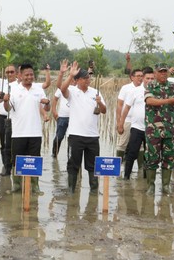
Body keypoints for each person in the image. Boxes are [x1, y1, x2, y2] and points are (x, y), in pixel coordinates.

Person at [58, 60, 106, 194]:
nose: (87, 80)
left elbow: (104, 110)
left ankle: (94, 191)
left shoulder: (95, 92)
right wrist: (70, 75)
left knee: (93, 166)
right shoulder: (73, 91)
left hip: (92, 136)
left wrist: (100, 103)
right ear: (77, 80)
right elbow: (62, 89)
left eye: (88, 78)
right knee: (73, 164)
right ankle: (71, 191)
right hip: (75, 135)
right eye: (84, 78)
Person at [2, 63, 50, 193]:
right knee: (16, 160)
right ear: (20, 76)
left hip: (35, 132)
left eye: (31, 74)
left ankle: (35, 186)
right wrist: (5, 100)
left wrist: (47, 103)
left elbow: (47, 108)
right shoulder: (14, 90)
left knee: (35, 160)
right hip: (18, 132)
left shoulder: (38, 89)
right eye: (26, 75)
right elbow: (8, 108)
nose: (29, 77)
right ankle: (17, 185)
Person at [142, 63, 174, 195]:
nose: (163, 74)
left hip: (170, 129)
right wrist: (168, 101)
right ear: (155, 73)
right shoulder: (150, 85)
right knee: (152, 157)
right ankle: (151, 185)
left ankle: (166, 186)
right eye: (160, 71)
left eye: (165, 71)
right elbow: (150, 101)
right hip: (153, 129)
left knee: (169, 157)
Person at [117, 67, 155, 179]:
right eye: (147, 78)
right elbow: (126, 108)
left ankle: (146, 178)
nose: (150, 80)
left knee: (150, 155)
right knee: (132, 153)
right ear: (143, 79)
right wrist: (120, 123)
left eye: (152, 78)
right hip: (137, 127)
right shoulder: (135, 91)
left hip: (151, 129)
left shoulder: (157, 91)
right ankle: (126, 177)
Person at [116, 66, 144, 158]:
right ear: (132, 77)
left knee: (140, 146)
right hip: (127, 120)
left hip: (140, 123)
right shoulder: (126, 88)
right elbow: (119, 105)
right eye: (138, 76)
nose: (140, 78)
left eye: (142, 76)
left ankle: (140, 166)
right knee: (123, 143)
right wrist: (119, 123)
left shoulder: (145, 88)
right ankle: (119, 164)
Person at [50, 79, 70, 159]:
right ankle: (54, 156)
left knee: (72, 139)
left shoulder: (78, 88)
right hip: (62, 117)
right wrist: (54, 111)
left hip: (74, 118)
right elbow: (55, 99)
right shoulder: (63, 86)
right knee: (59, 137)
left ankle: (70, 157)